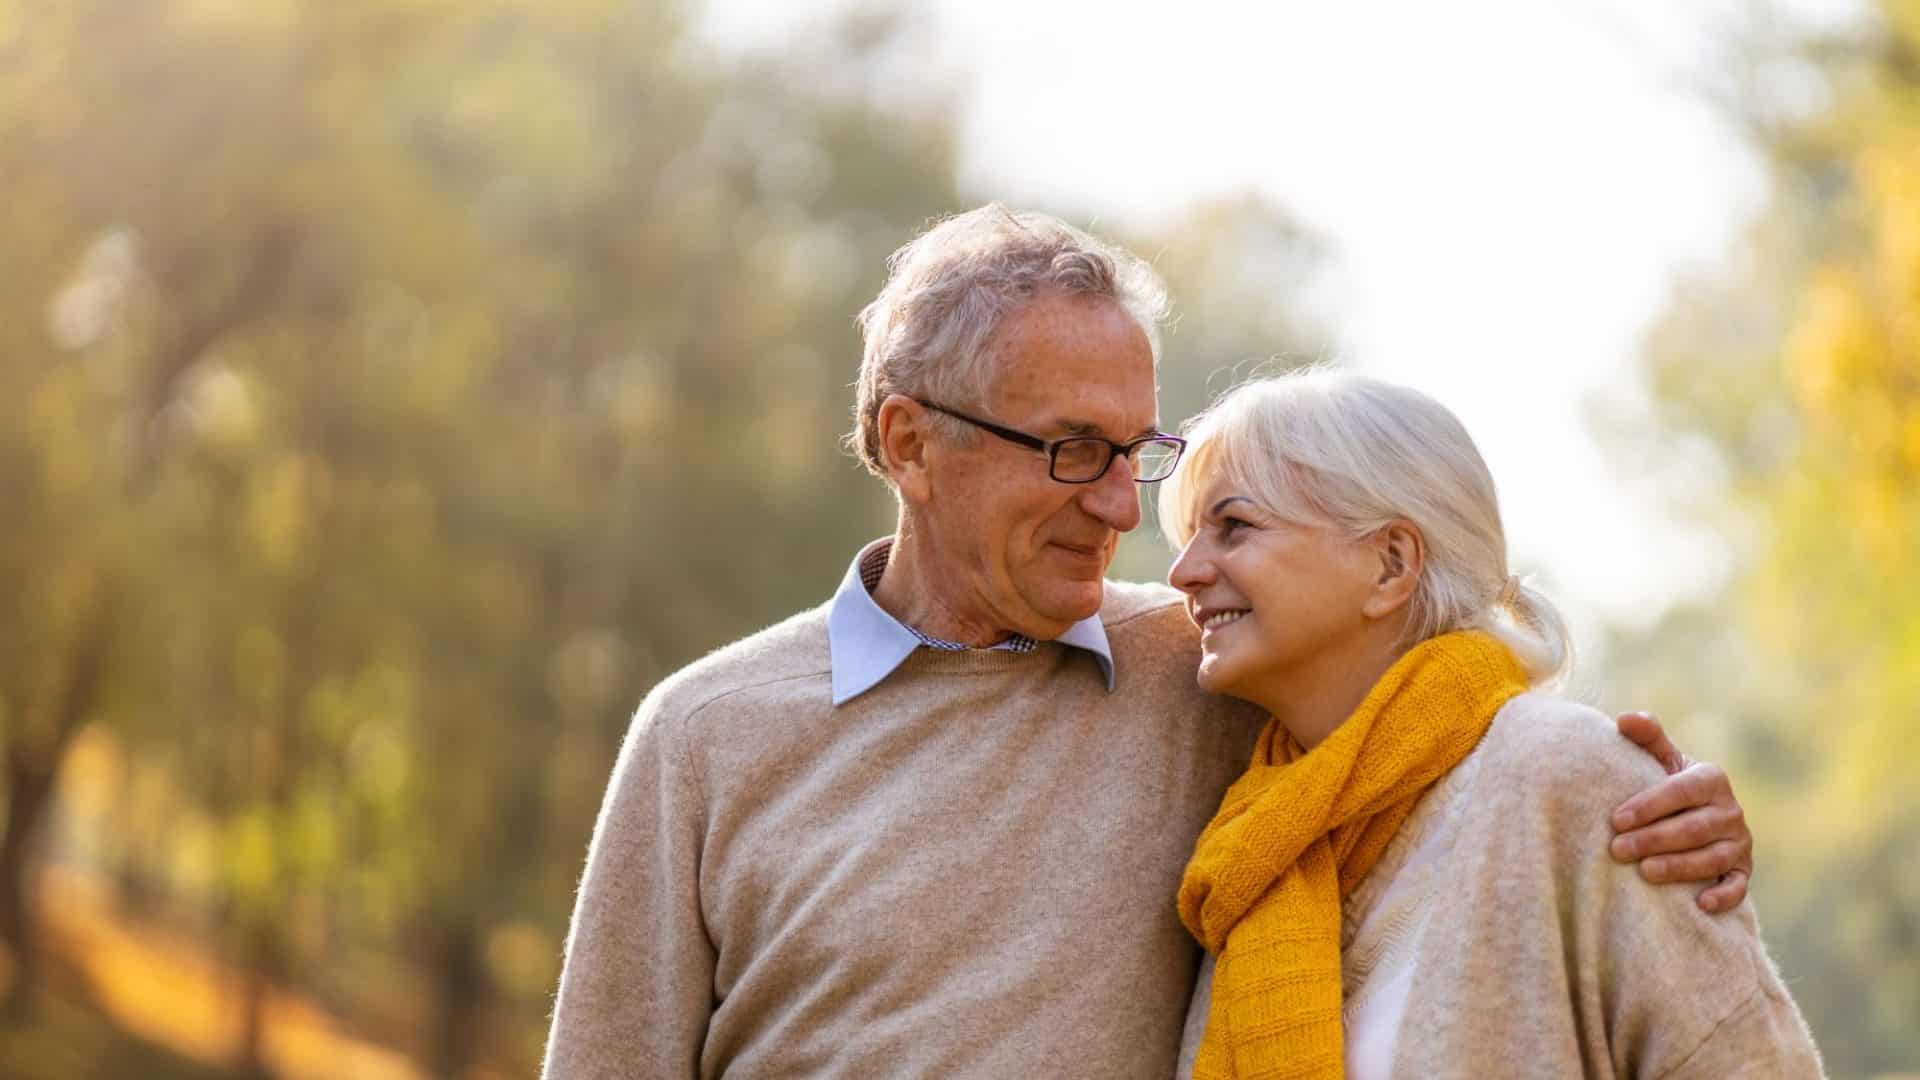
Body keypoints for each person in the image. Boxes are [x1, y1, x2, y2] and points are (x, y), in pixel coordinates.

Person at [542, 206, 1757, 1078]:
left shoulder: (1211, 669)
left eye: (1138, 451)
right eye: (1074, 449)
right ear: (911, 444)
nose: (1124, 508)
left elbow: (1432, 708)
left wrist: (1655, 811)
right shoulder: (707, 735)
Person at [1162, 370, 1821, 1078]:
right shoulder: (1251, 847)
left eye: (1233, 527)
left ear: (1391, 564)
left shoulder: (1568, 774)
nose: (1183, 573)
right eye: (1191, 537)